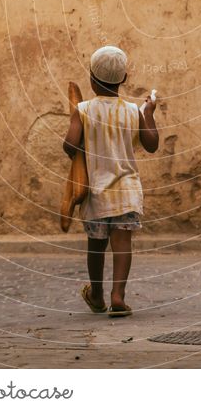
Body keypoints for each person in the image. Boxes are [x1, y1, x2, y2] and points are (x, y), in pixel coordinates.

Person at [63, 45, 159, 317]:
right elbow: (151, 145)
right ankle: (119, 295)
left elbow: (69, 145)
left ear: (91, 79)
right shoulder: (133, 111)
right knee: (122, 244)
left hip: (95, 193)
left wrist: (81, 148)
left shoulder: (82, 110)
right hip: (127, 192)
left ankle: (97, 294)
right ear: (124, 78)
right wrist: (148, 113)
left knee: (96, 246)